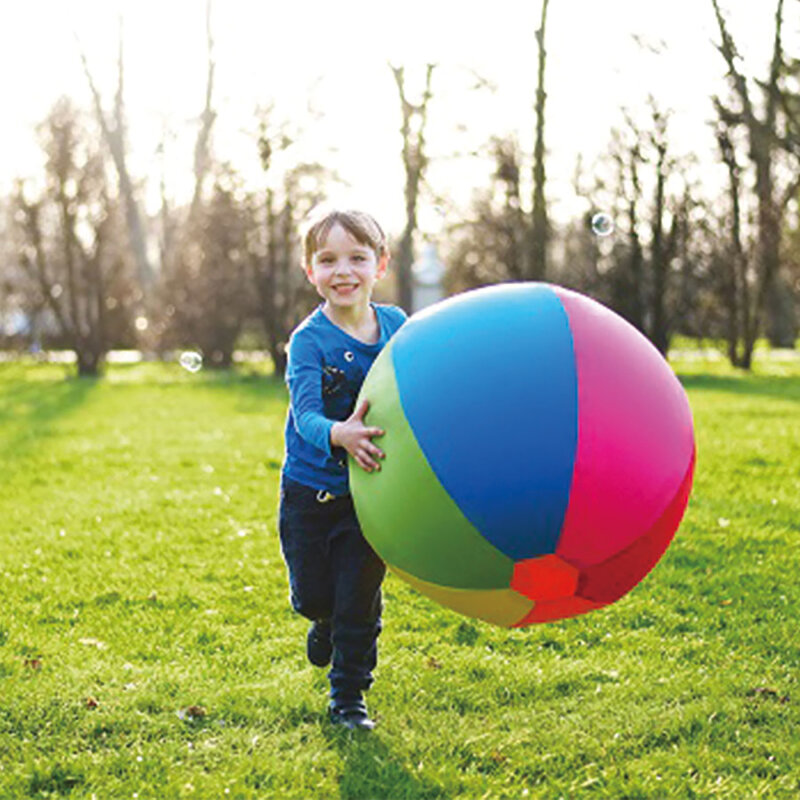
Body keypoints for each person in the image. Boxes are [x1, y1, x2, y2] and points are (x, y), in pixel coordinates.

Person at [278, 207, 407, 731]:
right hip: (311, 491)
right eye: (328, 260)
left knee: (360, 598)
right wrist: (341, 433)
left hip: (371, 492)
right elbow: (306, 414)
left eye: (357, 257)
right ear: (310, 271)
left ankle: (349, 697)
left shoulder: (398, 327)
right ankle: (322, 619)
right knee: (315, 596)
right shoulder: (308, 341)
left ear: (381, 264)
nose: (343, 271)